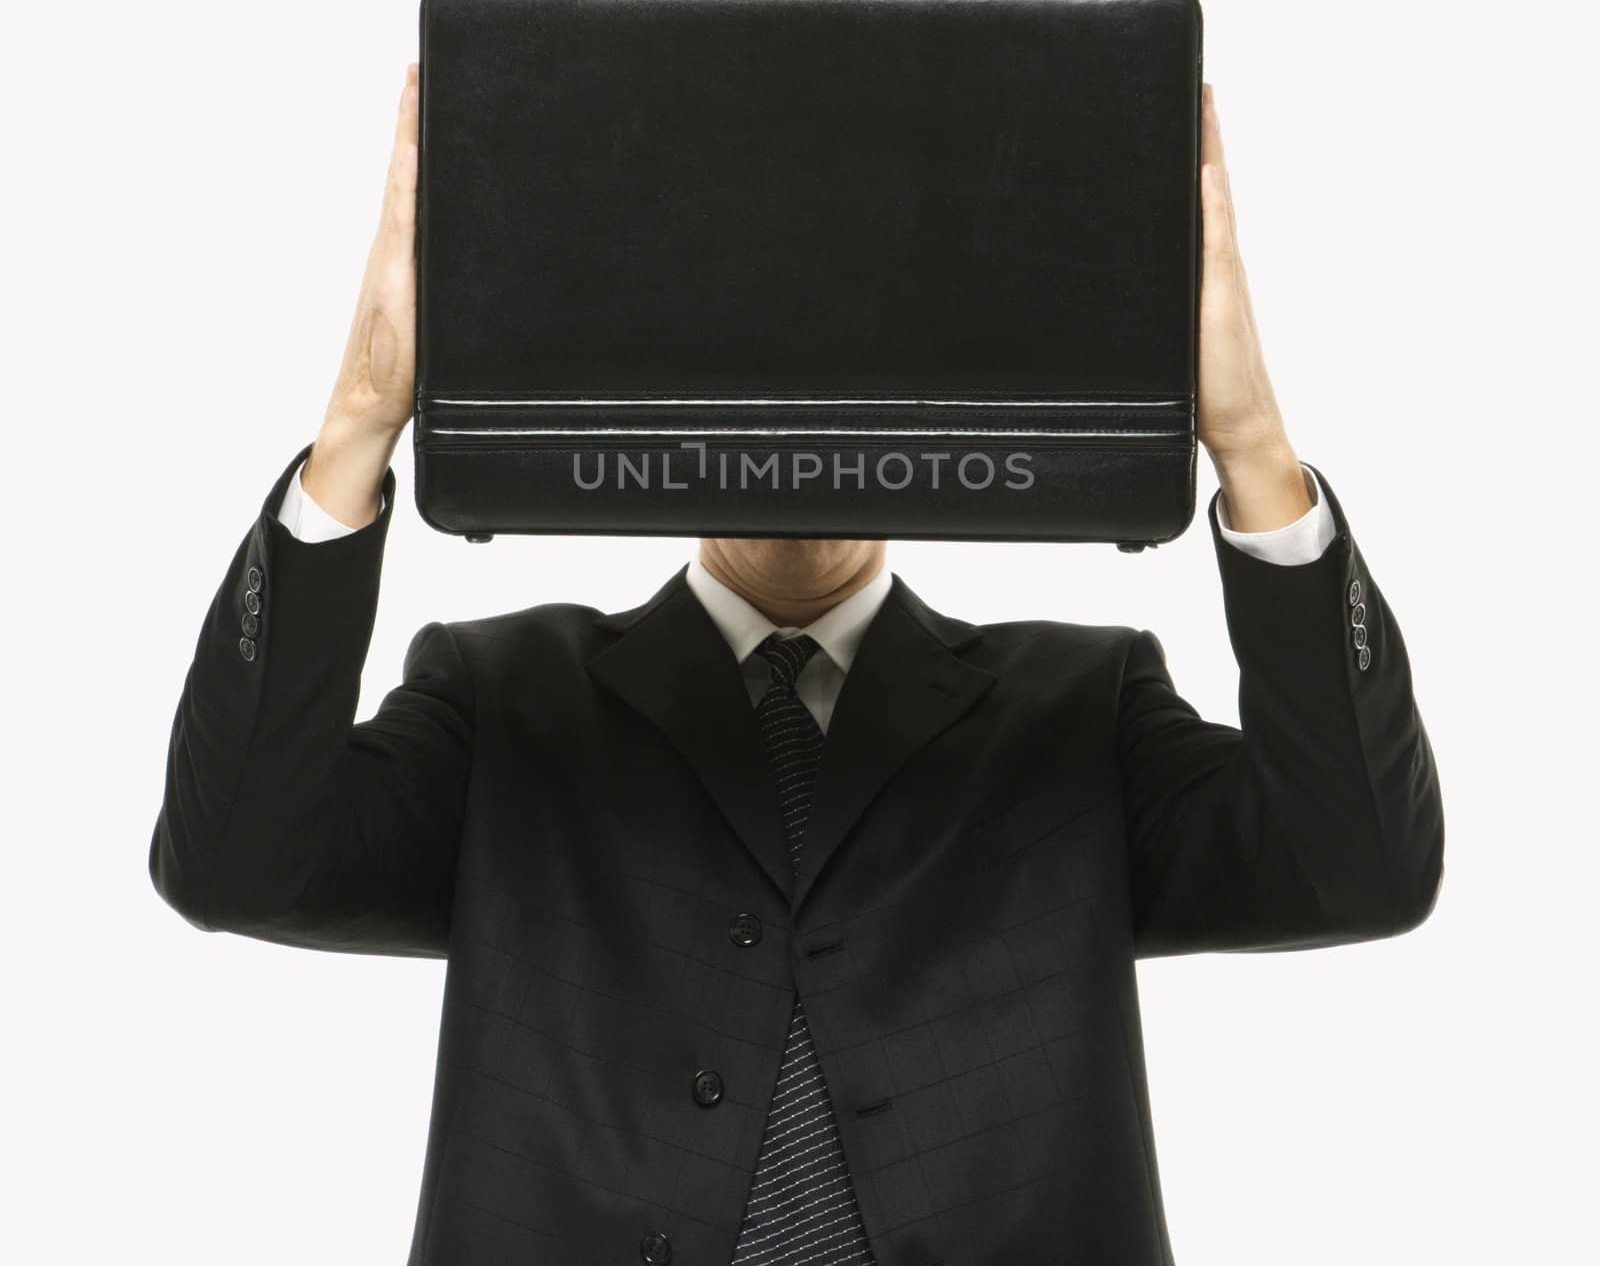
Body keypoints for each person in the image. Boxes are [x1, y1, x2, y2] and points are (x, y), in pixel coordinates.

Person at [149, 65, 1444, 1265]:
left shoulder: (1081, 711)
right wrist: (367, 412)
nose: (800, 420)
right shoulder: (505, 701)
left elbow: (1362, 867)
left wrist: (1250, 440)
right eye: (757, 360)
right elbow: (232, 858)